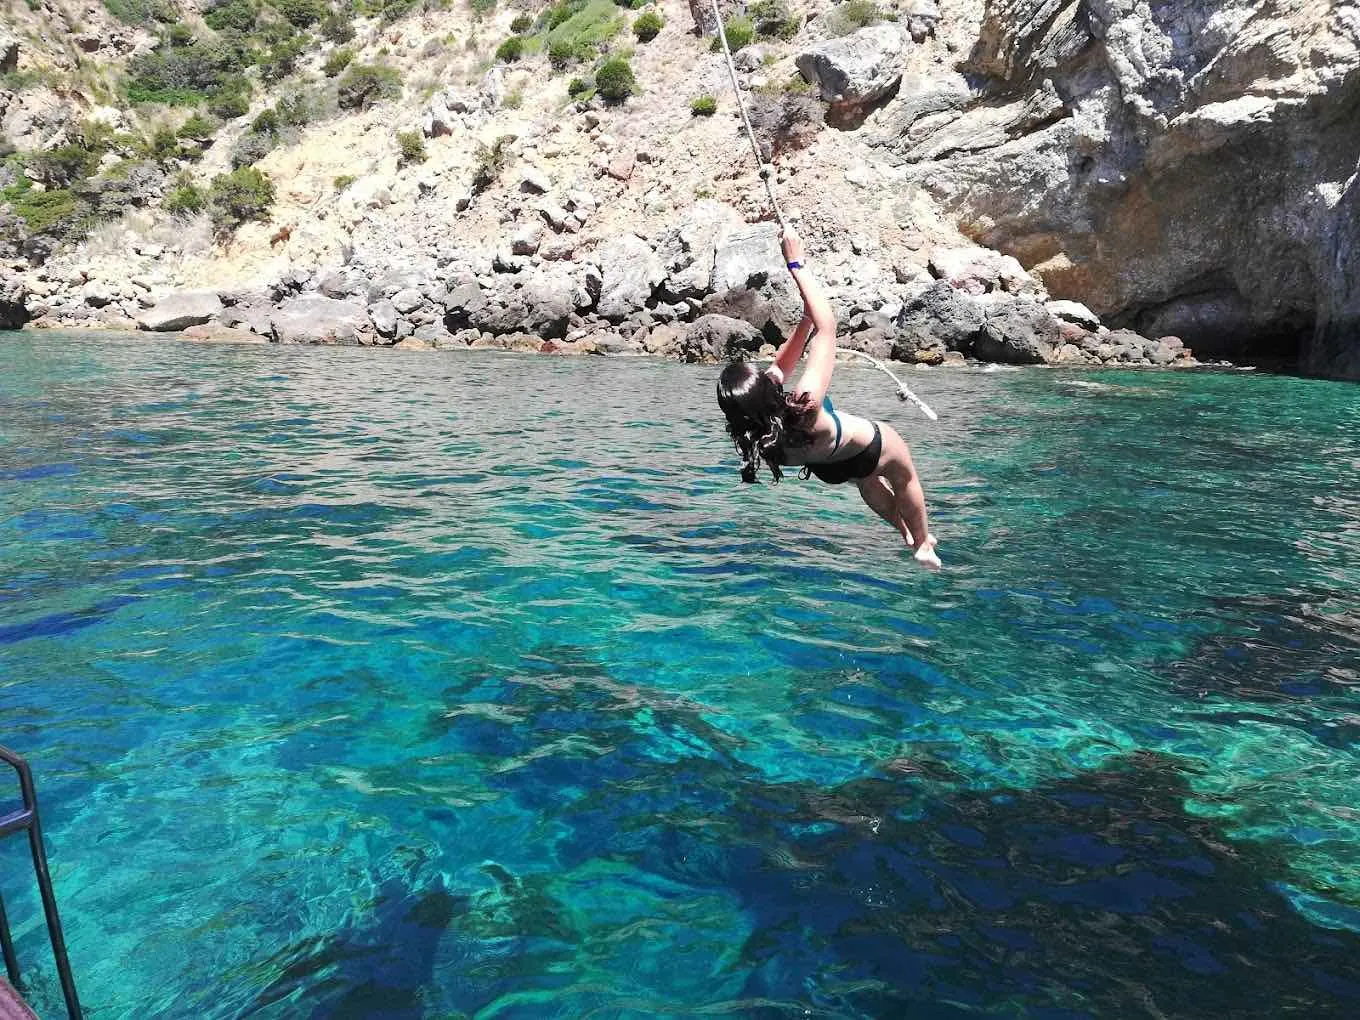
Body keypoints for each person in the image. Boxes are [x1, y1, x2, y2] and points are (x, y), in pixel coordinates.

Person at [716, 226, 942, 571]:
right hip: (874, 448)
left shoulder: (758, 436)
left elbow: (781, 365)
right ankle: (923, 542)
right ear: (765, 388)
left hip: (831, 470)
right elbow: (829, 328)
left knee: (867, 481)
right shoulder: (804, 404)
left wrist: (805, 320)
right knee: (904, 478)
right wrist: (796, 264)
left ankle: (904, 532)